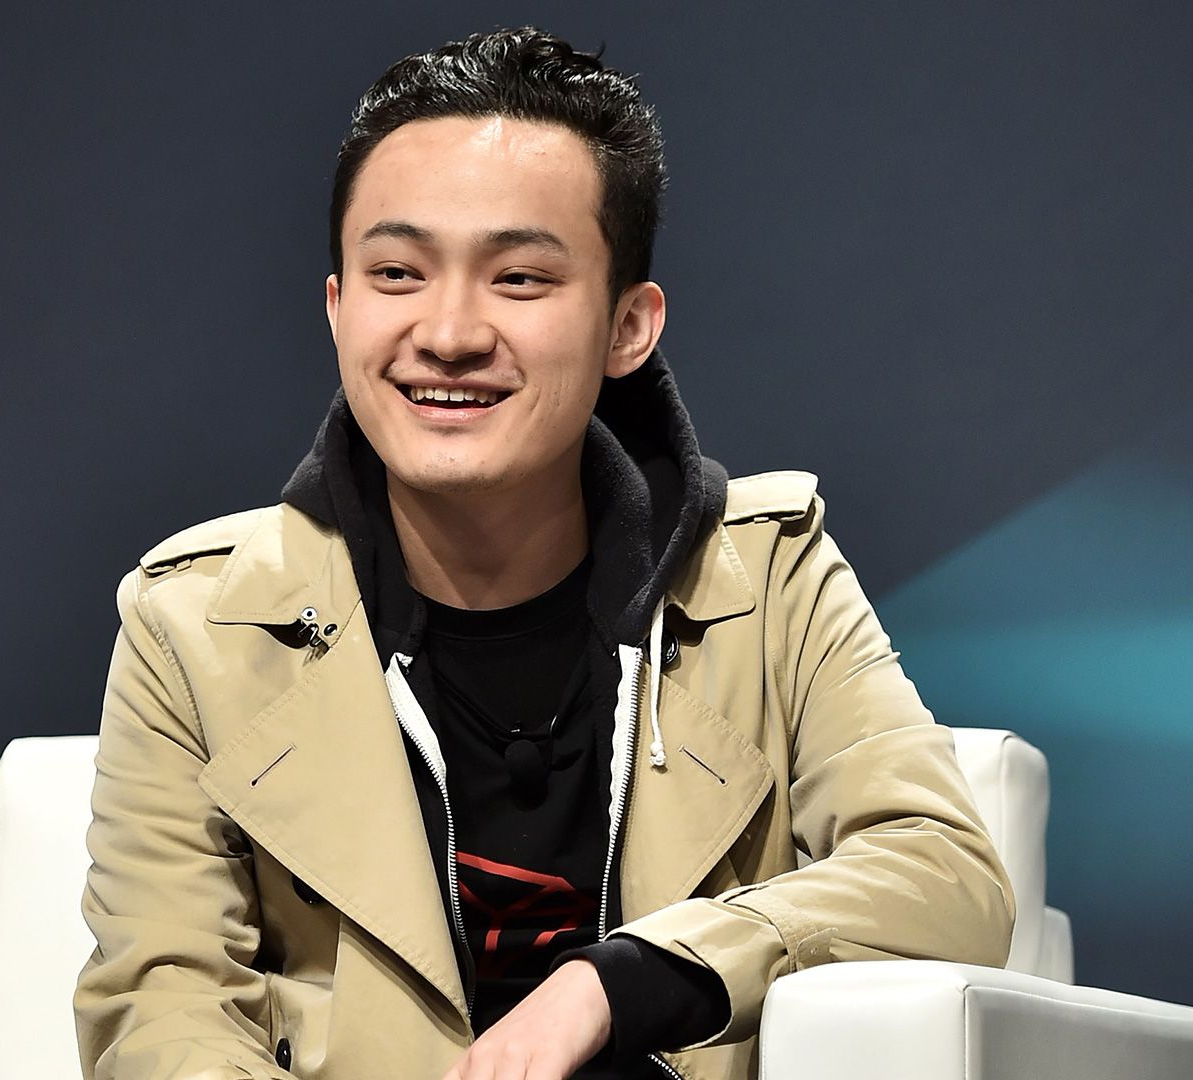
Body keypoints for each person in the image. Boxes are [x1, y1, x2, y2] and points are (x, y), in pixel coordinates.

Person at [74, 26, 1013, 1080]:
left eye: (519, 278)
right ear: (338, 309)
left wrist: (618, 985)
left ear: (628, 328)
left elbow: (945, 878)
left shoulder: (769, 578)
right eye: (397, 272)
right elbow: (164, 1011)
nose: (449, 332)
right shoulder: (192, 625)